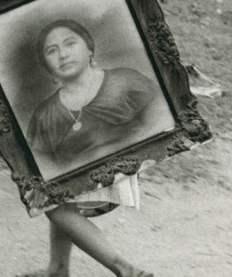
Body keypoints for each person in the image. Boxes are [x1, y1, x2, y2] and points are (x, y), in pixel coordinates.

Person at [12, 0, 155, 277]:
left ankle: (126, 272)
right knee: (63, 191)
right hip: (87, 114)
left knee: (46, 194)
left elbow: (39, 14)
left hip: (91, 120)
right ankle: (58, 273)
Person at [28, 18, 157, 168]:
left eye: (70, 43)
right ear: (47, 65)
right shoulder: (43, 116)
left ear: (89, 48)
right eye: (52, 51)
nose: (62, 55)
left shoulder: (128, 81)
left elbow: (160, 130)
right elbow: (44, 171)